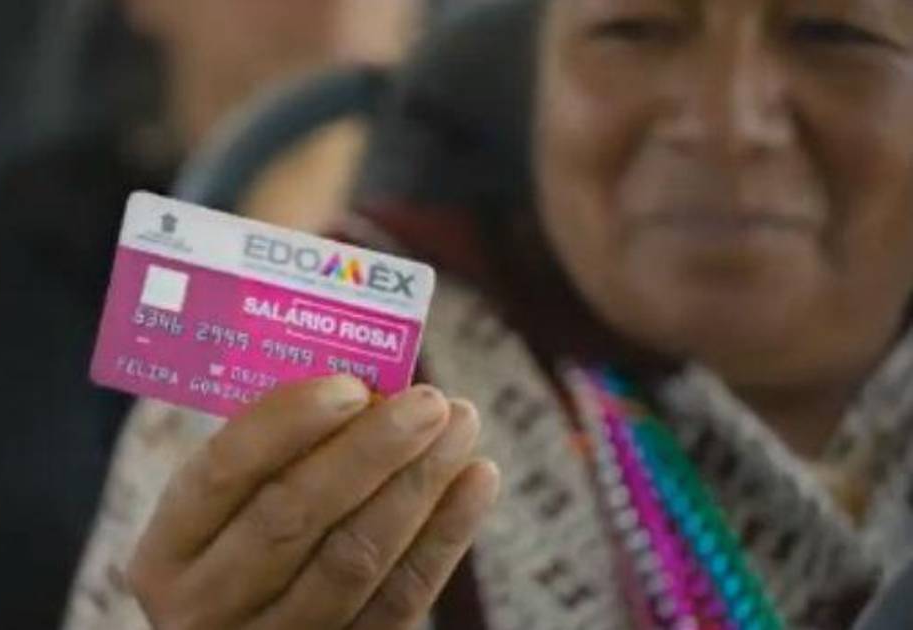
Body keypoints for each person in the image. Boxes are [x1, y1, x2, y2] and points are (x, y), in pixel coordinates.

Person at [62, 0, 913, 628]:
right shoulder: (305, 380)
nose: (726, 123)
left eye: (833, 33)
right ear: (532, 78)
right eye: (635, 28)